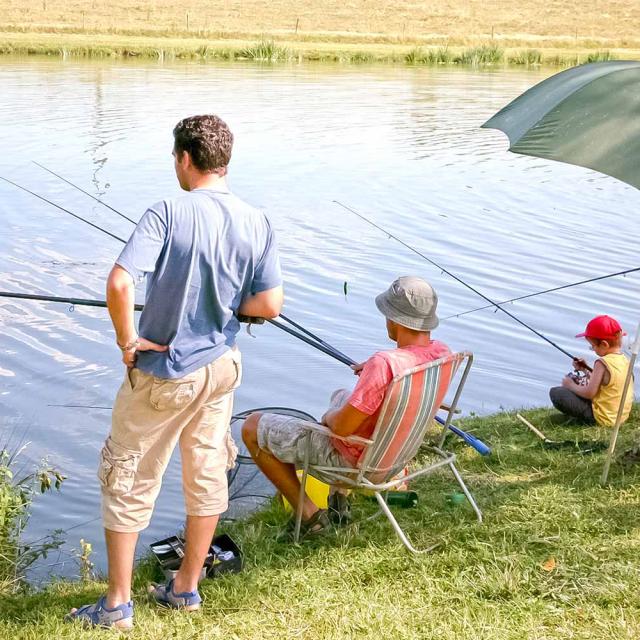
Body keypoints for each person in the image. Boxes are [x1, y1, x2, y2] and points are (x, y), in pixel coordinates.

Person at [67, 115, 283, 629]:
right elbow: (270, 303)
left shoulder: (166, 211)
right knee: (207, 470)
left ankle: (117, 604)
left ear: (185, 158)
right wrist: (228, 311)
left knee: (127, 474)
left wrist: (127, 339)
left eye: (174, 158)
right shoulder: (257, 220)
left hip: (166, 370)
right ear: (224, 159)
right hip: (221, 368)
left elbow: (120, 283)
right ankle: (186, 587)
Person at [241, 276, 450, 537]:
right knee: (341, 394)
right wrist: (376, 377)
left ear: (394, 319)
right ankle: (338, 502)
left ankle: (309, 516)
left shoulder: (384, 364)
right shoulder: (441, 353)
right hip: (396, 458)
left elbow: (341, 427)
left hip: (359, 463)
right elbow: (403, 371)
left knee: (252, 427)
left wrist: (329, 417)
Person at [549, 315, 633, 426]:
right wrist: (584, 369)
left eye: (592, 346)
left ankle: (586, 420)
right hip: (619, 416)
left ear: (604, 344)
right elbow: (606, 382)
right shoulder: (624, 360)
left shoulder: (601, 363)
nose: (592, 349)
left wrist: (570, 385)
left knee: (556, 393)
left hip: (603, 419)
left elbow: (589, 393)